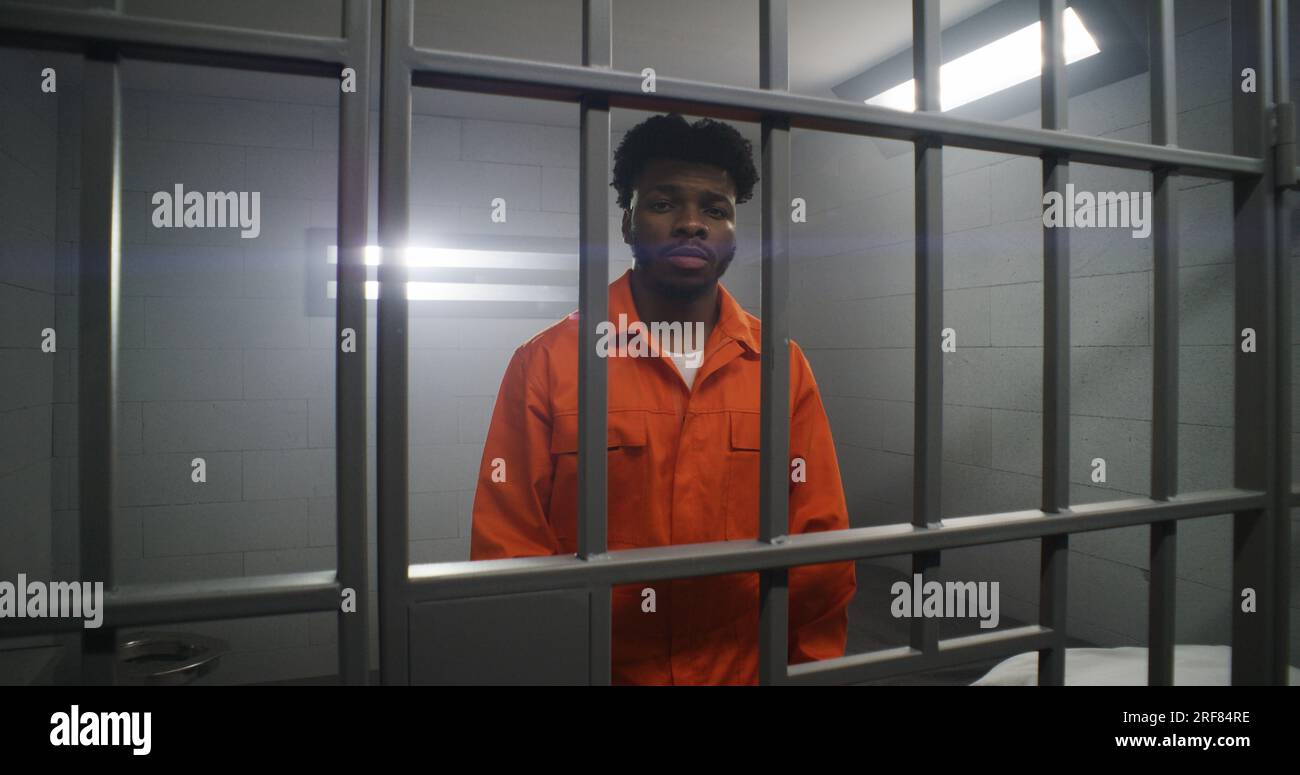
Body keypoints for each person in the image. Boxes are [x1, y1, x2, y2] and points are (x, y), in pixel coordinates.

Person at [470, 113, 856, 685]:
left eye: (715, 210)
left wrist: (810, 675)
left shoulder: (780, 366)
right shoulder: (549, 362)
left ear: (733, 232)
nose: (691, 224)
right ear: (627, 222)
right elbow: (509, 551)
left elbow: (820, 550)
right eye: (663, 203)